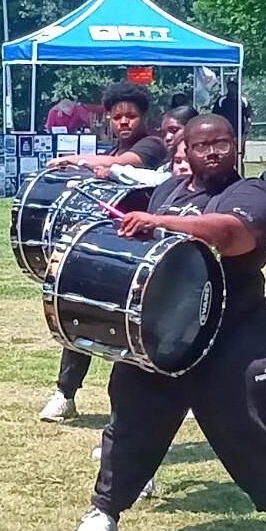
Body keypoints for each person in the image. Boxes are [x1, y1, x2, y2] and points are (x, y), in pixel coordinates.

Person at [68, 115, 266, 531]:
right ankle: (104, 513)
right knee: (131, 418)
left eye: (221, 143)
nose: (213, 152)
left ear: (235, 145)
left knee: (249, 422)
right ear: (187, 150)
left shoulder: (249, 192)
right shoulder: (169, 192)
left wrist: (161, 222)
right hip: (164, 330)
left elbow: (232, 235)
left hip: (232, 328)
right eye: (203, 146)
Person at [38, 83, 169, 423]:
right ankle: (65, 394)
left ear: (144, 118)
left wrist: (74, 159)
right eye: (117, 117)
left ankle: (128, 415)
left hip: (140, 249)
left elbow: (126, 165)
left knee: (126, 327)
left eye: (131, 116)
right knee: (79, 309)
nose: (124, 122)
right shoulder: (112, 148)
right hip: (111, 242)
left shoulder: (151, 144)